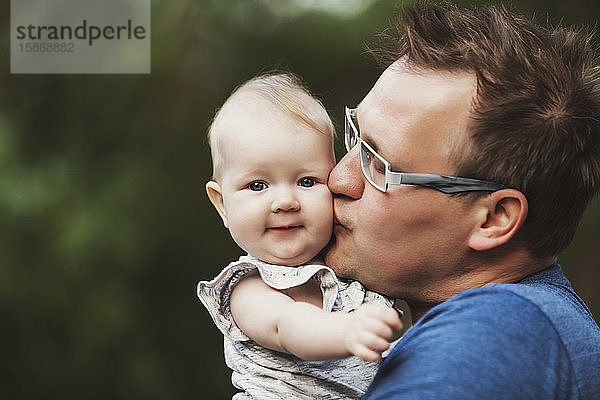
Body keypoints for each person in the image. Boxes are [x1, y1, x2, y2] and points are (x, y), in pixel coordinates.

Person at [323, 2, 600, 399]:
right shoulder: (529, 333)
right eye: (355, 136)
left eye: (379, 165)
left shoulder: (492, 337)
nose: (338, 178)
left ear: (493, 219)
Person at [197, 73, 402, 399]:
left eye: (307, 181)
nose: (285, 202)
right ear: (222, 204)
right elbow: (286, 326)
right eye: (257, 185)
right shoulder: (248, 286)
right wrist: (346, 331)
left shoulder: (353, 271)